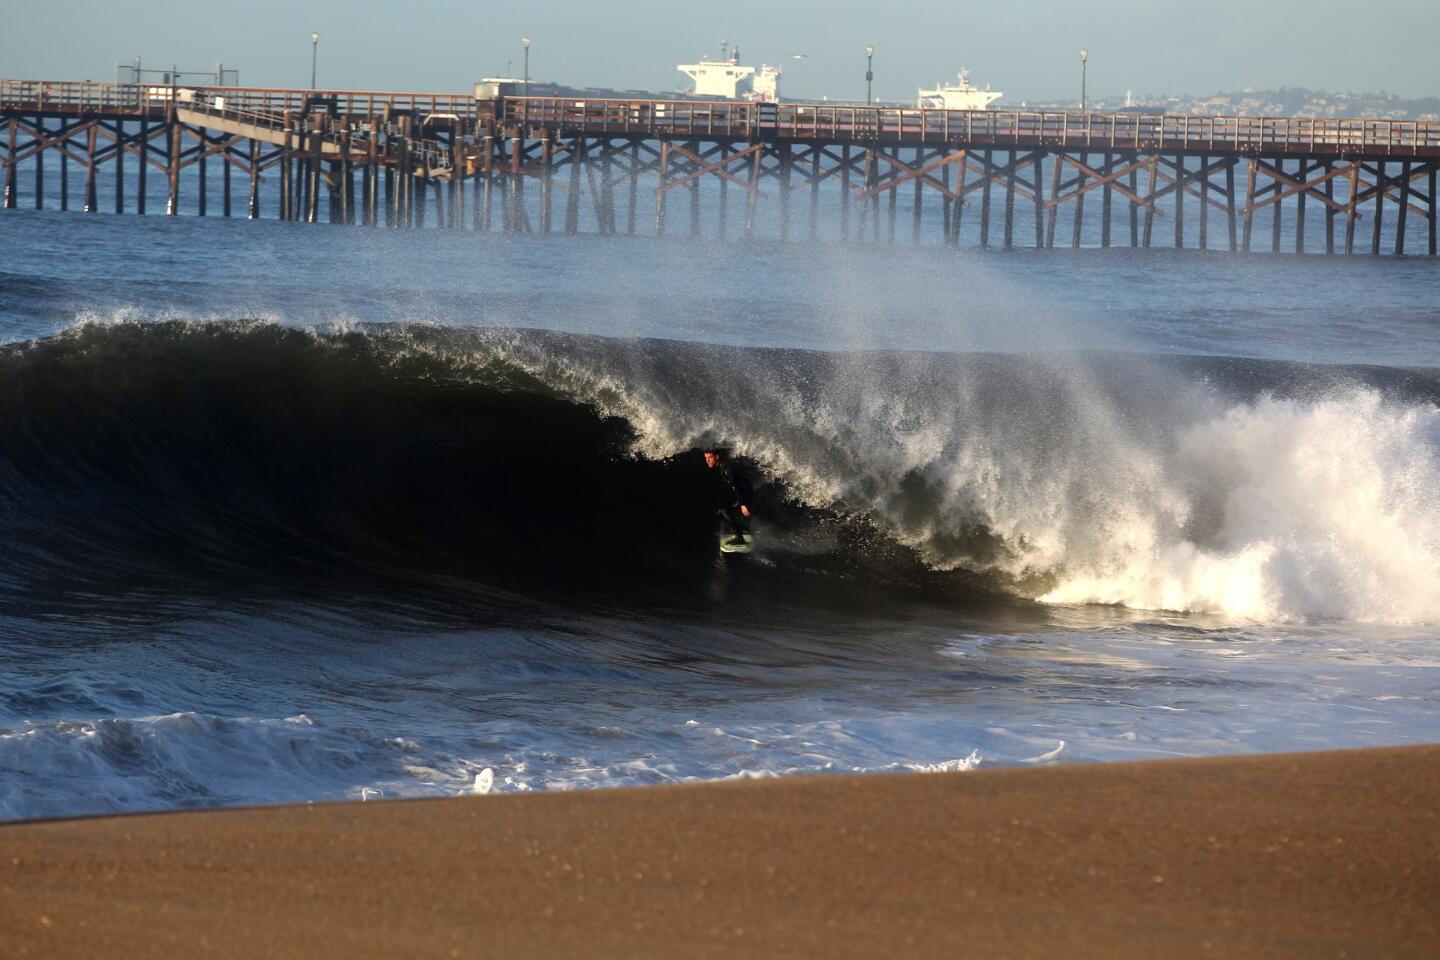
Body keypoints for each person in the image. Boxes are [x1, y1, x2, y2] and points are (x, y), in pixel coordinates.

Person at [703, 448, 753, 546]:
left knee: (725, 511)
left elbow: (737, 486)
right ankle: (742, 528)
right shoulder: (724, 466)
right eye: (705, 458)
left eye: (710, 458)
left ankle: (740, 538)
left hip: (747, 496)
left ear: (716, 457)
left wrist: (743, 505)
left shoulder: (727, 469)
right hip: (744, 494)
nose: (707, 461)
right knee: (720, 513)